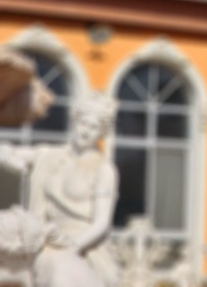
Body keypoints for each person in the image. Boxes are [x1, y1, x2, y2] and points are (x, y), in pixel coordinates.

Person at [0, 92, 119, 287]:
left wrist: (72, 246)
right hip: (42, 236)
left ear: (102, 133)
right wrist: (5, 152)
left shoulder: (105, 169)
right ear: (75, 122)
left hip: (84, 244)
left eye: (94, 127)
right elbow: (11, 154)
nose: (86, 131)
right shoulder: (49, 155)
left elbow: (101, 224)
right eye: (83, 123)